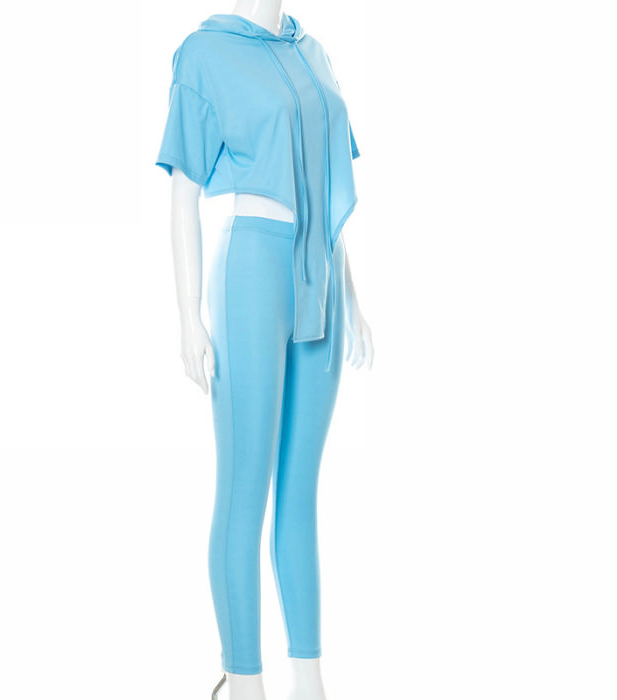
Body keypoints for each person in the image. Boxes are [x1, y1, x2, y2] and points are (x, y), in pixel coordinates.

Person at [156, 5, 373, 699]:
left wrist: (350, 294)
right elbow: (183, 191)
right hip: (252, 268)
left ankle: (310, 682)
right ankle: (243, 681)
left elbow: (326, 185)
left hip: (322, 280)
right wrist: (188, 315)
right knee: (243, 490)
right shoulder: (205, 53)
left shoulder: (314, 51)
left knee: (300, 493)